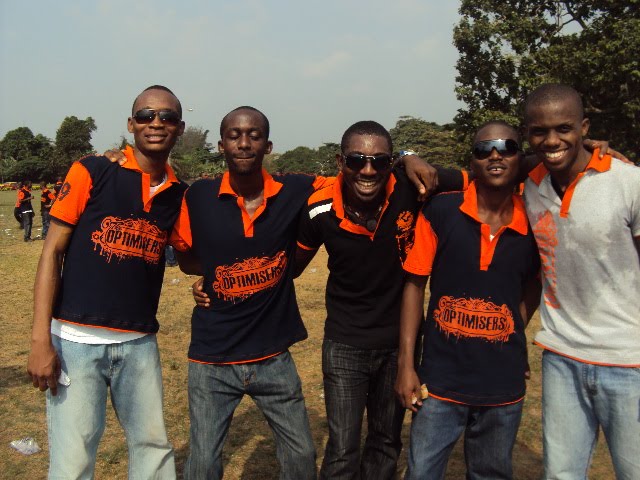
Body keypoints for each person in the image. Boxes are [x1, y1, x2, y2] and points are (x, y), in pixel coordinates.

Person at [27, 85, 187, 479]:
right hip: (75, 342)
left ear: (180, 128)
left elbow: (193, 255)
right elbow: (52, 252)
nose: (156, 123)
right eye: (146, 115)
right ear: (131, 124)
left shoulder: (177, 194)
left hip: (139, 344)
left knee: (153, 450)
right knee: (73, 460)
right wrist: (40, 340)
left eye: (167, 117)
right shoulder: (93, 170)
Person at [293, 121, 467, 479]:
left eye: (380, 161)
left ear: (391, 163)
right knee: (342, 449)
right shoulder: (319, 208)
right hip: (344, 343)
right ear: (340, 161)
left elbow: (484, 174)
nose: (368, 170)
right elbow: (290, 267)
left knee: (386, 442)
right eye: (356, 160)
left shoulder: (411, 187)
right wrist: (213, 277)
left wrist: (409, 158)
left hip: (399, 343)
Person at [395, 121, 541, 479]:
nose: (495, 155)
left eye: (506, 147)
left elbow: (533, 287)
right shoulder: (441, 211)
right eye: (483, 149)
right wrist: (406, 364)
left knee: (491, 472)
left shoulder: (535, 221)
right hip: (440, 382)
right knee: (422, 472)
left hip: (503, 386)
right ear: (472, 162)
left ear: (520, 158)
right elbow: (414, 286)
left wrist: (511, 331)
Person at [522, 83, 640, 478]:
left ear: (584, 128)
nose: (552, 141)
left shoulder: (629, 182)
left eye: (564, 128)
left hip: (629, 360)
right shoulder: (530, 186)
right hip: (562, 358)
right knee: (561, 474)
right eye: (540, 131)